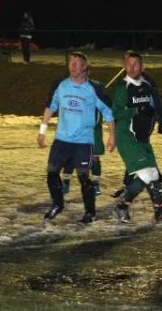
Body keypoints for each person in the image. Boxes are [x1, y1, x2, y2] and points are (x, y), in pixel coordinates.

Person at [38, 52, 116, 224]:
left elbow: (108, 112)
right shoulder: (61, 85)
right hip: (62, 140)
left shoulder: (93, 88)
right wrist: (42, 130)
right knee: (51, 173)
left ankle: (90, 212)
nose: (72, 66)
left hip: (83, 142)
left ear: (84, 67)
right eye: (70, 63)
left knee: (83, 177)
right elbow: (51, 107)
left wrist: (112, 135)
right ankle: (58, 204)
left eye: (76, 63)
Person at [111, 52, 162, 224]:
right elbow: (115, 112)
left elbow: (152, 106)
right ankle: (121, 206)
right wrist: (136, 111)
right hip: (127, 137)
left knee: (153, 174)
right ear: (125, 66)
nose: (132, 68)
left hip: (143, 137)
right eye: (129, 64)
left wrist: (156, 118)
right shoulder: (122, 87)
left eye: (136, 64)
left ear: (142, 67)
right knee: (146, 175)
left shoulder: (147, 85)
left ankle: (159, 213)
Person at [61, 65, 108, 196]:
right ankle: (65, 183)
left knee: (94, 157)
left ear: (88, 72)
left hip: (93, 128)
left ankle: (96, 184)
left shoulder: (97, 86)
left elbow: (105, 103)